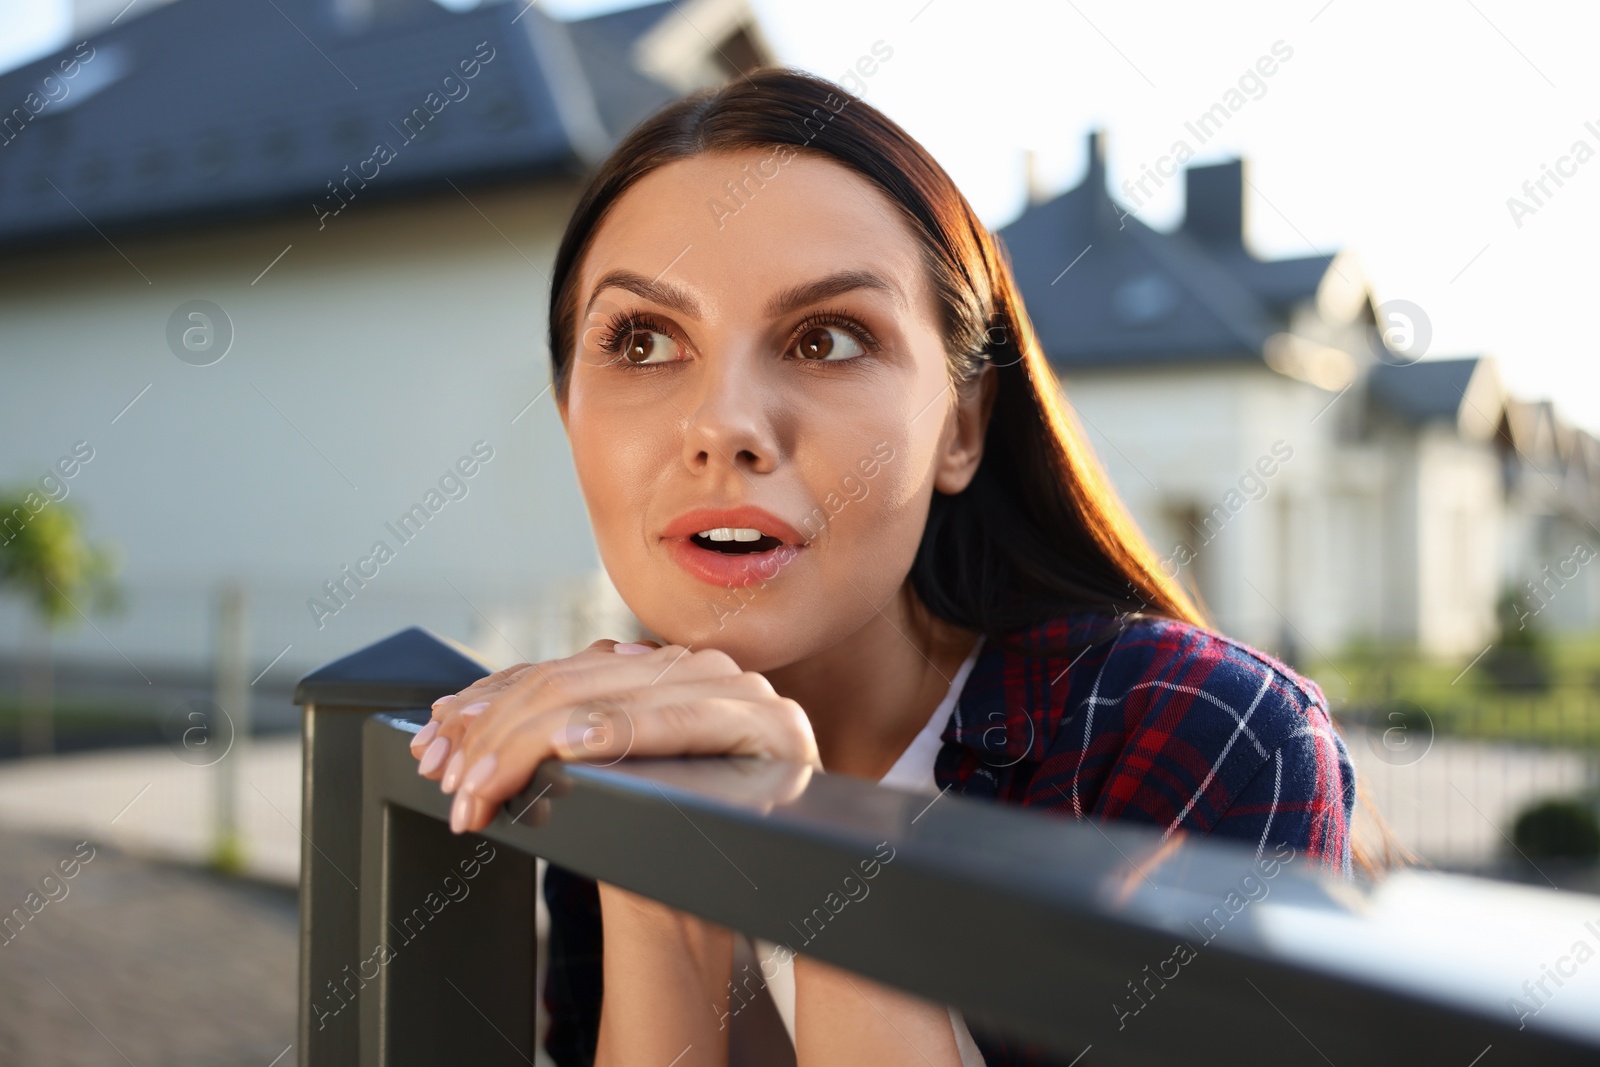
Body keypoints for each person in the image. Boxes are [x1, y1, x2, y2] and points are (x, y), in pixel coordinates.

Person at [407, 66, 1376, 1066]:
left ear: (959, 425)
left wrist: (815, 861)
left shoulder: (1196, 739)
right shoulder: (617, 748)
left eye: (825, 338)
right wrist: (660, 900)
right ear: (569, 412)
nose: (724, 425)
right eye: (643, 339)